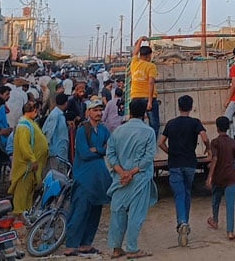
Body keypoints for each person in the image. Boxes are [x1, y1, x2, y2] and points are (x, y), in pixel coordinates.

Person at [107, 98, 158, 259]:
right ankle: (132, 248)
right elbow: (148, 157)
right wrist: (131, 173)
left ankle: (116, 248)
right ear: (145, 113)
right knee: (136, 214)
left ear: (129, 111)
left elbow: (110, 154)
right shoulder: (148, 131)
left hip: (119, 180)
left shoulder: (118, 131)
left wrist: (122, 173)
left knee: (117, 212)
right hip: (139, 179)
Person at [159, 94, 209, 247]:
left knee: (179, 194)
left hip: (175, 163)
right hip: (190, 163)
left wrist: (170, 152)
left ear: (179, 107)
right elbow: (205, 138)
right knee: (187, 193)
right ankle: (184, 223)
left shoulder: (171, 124)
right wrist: (208, 148)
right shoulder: (195, 123)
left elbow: (161, 142)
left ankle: (182, 222)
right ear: (191, 106)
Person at [64, 97, 111, 257]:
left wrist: (96, 150)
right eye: (95, 110)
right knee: (80, 210)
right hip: (84, 177)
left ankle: (86, 244)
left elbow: (109, 149)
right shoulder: (83, 129)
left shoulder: (104, 130)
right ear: (88, 112)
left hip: (99, 178)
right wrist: (100, 150)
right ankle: (71, 245)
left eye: (100, 110)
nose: (99, 113)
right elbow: (84, 153)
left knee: (95, 211)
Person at [9, 100, 49, 215]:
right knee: (22, 191)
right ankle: (19, 214)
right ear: (34, 110)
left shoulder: (29, 123)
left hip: (32, 167)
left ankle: (26, 212)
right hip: (26, 166)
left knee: (28, 191)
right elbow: (24, 146)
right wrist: (33, 159)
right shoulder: (23, 126)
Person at [206, 116, 235, 240]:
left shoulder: (215, 142)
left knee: (216, 200)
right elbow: (233, 157)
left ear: (217, 128)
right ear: (228, 127)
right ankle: (230, 232)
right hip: (231, 176)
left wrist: (209, 177)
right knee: (230, 205)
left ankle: (215, 220)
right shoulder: (232, 142)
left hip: (218, 176)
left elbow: (215, 159)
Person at [129, 38, 160, 134]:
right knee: (154, 124)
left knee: (137, 123)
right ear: (148, 56)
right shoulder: (151, 66)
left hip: (135, 97)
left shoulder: (134, 63)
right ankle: (151, 144)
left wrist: (140, 40)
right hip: (147, 98)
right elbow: (151, 83)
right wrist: (150, 101)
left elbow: (135, 52)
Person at [43, 93, 70, 160]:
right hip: (55, 151)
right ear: (66, 103)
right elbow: (49, 132)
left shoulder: (60, 114)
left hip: (61, 149)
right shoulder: (55, 115)